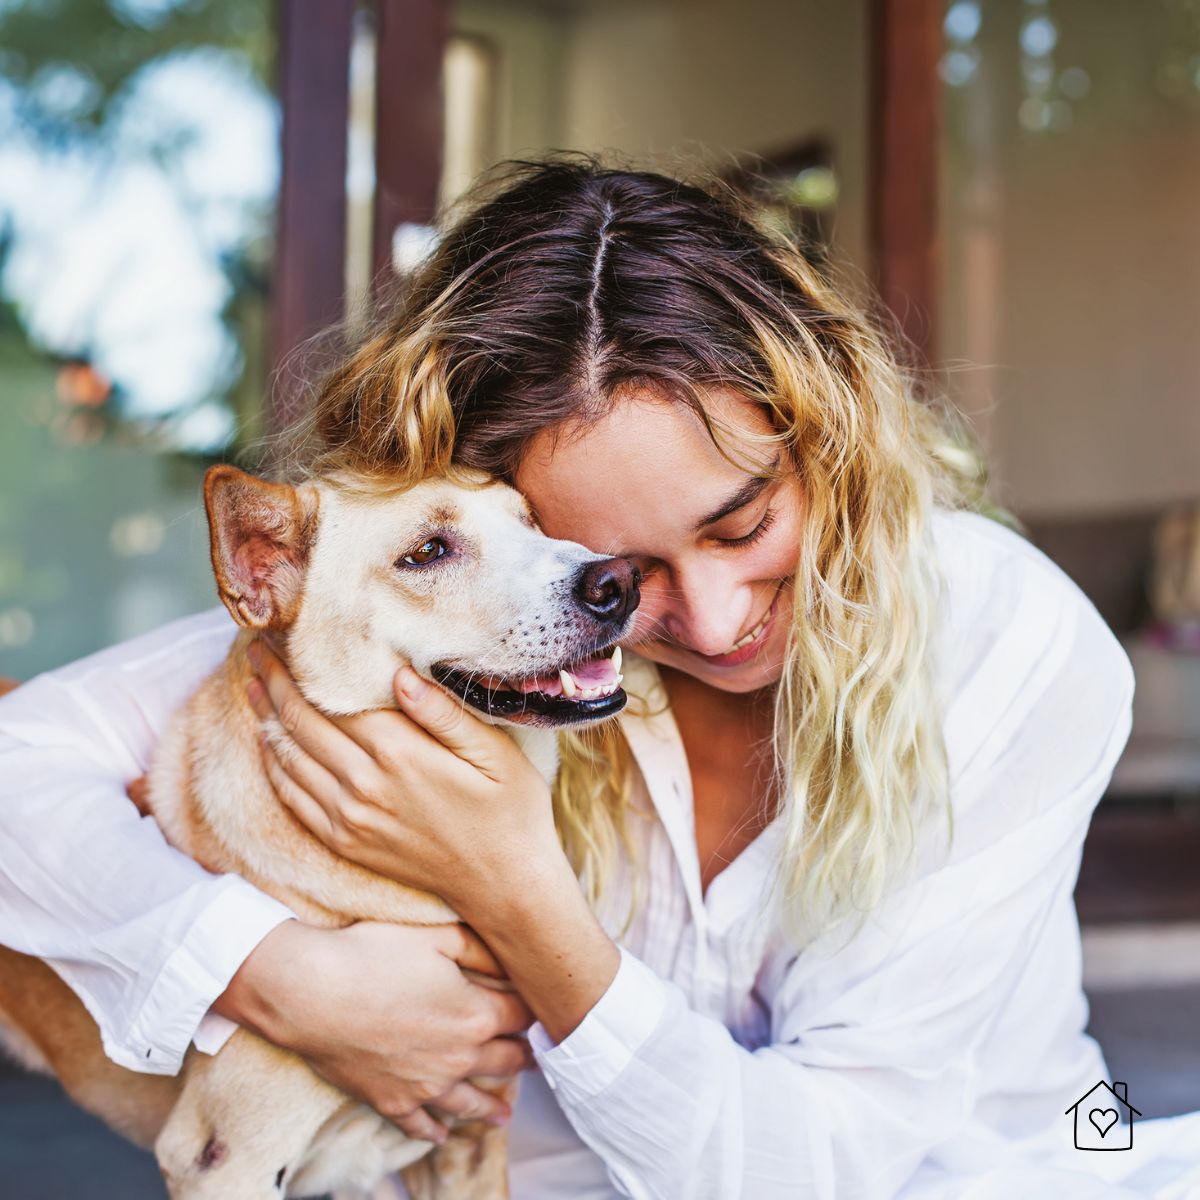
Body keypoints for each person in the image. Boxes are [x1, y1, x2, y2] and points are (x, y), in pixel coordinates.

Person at [2, 158, 1199, 1200]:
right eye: (614, 575)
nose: (720, 622)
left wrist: (514, 884)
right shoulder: (457, 610)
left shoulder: (1003, 635)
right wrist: (280, 976)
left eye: (742, 523)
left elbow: (811, 1172)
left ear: (823, 433)